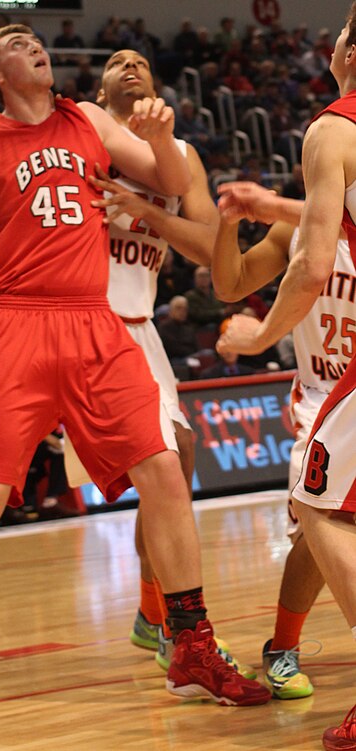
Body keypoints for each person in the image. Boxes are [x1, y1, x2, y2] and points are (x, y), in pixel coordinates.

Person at [0, 25, 269, 730]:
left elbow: (173, 182)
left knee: (166, 472)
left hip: (94, 322)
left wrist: (164, 132)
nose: (35, 44)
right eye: (16, 41)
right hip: (17, 323)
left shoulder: (84, 120)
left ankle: (191, 645)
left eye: (35, 37)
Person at [65, 48, 255, 679]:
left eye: (140, 60)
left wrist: (145, 210)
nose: (129, 64)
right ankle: (168, 623)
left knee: (177, 456)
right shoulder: (83, 130)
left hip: (137, 326)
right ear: (99, 87)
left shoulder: (180, 160)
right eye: (116, 59)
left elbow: (210, 250)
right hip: (72, 320)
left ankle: (161, 619)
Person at [215, 7, 356, 746]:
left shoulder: (334, 129)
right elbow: (237, 271)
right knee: (319, 511)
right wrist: (243, 212)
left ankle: (283, 647)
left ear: (350, 52)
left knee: (316, 510)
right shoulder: (305, 201)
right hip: (323, 386)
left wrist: (260, 334)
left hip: (349, 384)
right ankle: (283, 646)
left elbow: (314, 259)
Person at [212, 192, 353, 699]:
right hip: (324, 395)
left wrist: (268, 201)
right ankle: (283, 648)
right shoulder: (292, 232)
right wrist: (227, 223)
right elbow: (229, 284)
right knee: (321, 527)